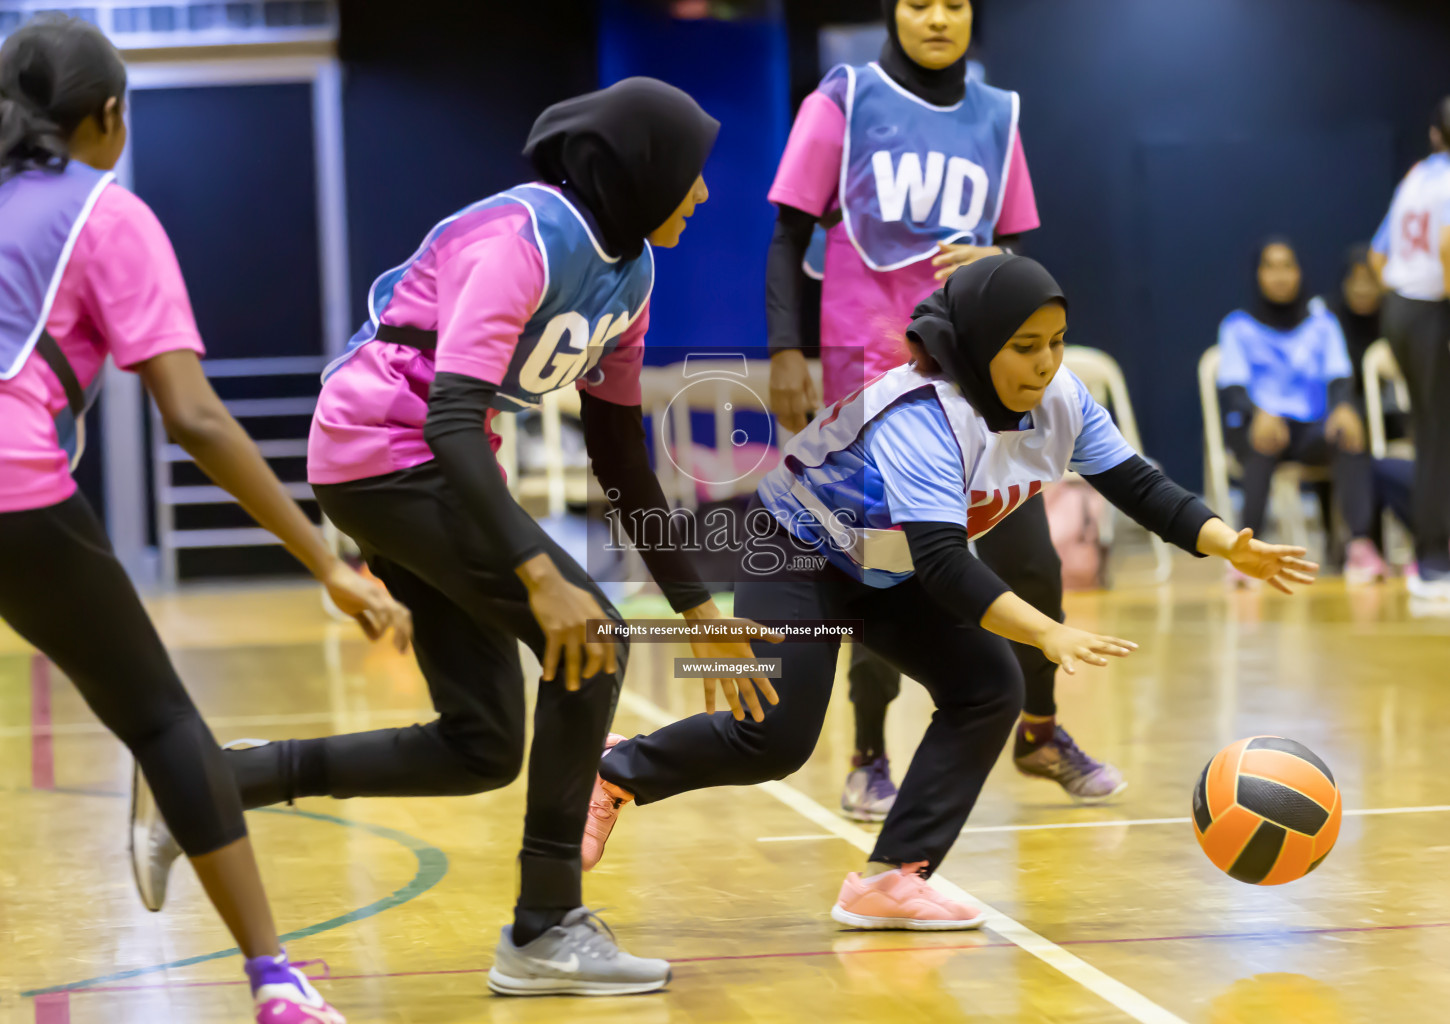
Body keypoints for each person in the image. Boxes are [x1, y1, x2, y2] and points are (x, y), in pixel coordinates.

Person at [126, 76, 776, 996]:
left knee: (482, 746)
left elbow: (622, 456)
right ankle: (545, 926)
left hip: (433, 462)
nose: (704, 194)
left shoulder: (632, 272)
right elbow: (448, 418)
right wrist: (538, 574)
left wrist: (699, 607)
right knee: (592, 637)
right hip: (381, 449)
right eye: (693, 174)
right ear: (640, 168)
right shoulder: (524, 239)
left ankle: (213, 784)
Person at [583, 254, 1318, 928]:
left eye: (1057, 340)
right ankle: (613, 771)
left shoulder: (1061, 401)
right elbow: (944, 564)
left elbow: (1137, 484)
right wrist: (1048, 632)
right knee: (775, 741)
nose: (1047, 362)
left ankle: (890, 877)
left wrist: (1229, 542)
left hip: (881, 565)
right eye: (1025, 345)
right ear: (978, 340)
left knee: (986, 685)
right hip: (796, 551)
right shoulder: (925, 415)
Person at [0, 17, 411, 1024]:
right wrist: (327, 560)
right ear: (107, 117)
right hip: (14, 488)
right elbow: (192, 416)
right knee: (161, 719)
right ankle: (276, 980)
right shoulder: (107, 212)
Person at [765, 0, 1123, 817]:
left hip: (973, 381)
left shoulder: (998, 115)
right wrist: (788, 350)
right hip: (872, 371)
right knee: (881, 567)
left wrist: (1000, 261)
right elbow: (787, 236)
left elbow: (1016, 254)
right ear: (892, 11)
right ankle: (866, 751)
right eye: (919, 3)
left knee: (1030, 555)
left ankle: (1038, 729)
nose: (937, 18)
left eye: (954, 4)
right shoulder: (844, 99)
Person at [1216, 239, 1383, 584]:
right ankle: (1245, 554)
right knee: (1263, 439)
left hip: (1310, 430)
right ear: (1258, 275)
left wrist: (1344, 408)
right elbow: (1233, 388)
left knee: (1349, 431)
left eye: (1287, 266)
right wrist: (1260, 412)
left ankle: (1360, 547)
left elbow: (1339, 377)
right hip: (1258, 426)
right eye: (1270, 267)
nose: (1280, 276)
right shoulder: (1237, 326)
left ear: (1299, 273)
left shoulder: (1322, 323)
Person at [1369, 97, 1450, 601]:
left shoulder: (1418, 175)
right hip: (1429, 306)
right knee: (1439, 438)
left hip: (1400, 306)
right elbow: (1447, 248)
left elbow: (1379, 257)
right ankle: (1436, 562)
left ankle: (1432, 556)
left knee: (1432, 432)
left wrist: (1404, 301)